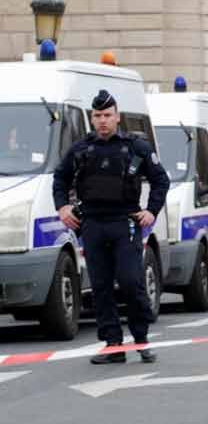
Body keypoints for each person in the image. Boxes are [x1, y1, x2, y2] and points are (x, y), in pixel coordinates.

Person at [53, 89, 170, 364]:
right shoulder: (82, 149)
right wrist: (63, 207)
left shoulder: (135, 147)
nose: (103, 120)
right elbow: (60, 179)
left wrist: (151, 212)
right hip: (92, 223)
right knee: (101, 287)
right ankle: (112, 345)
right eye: (98, 116)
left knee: (131, 282)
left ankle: (141, 339)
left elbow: (160, 180)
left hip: (124, 223)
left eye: (107, 115)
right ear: (92, 119)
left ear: (117, 117)